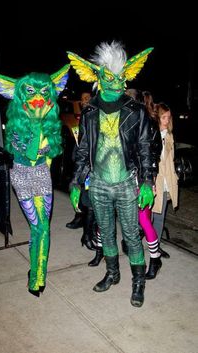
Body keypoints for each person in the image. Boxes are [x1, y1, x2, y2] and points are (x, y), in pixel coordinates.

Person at [67, 41, 155, 307]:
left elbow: (145, 149)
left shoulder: (136, 111)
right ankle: (112, 274)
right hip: (100, 183)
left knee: (131, 234)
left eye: (121, 77)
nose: (117, 83)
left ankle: (138, 284)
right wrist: (75, 182)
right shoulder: (90, 111)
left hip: (127, 182)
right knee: (105, 233)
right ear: (99, 77)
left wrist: (148, 182)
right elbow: (83, 150)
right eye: (111, 77)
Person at [0, 65, 69, 297]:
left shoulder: (51, 124)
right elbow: (29, 153)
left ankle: (37, 276)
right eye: (32, 92)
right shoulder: (16, 125)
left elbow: (51, 154)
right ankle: (36, 268)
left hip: (41, 175)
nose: (39, 98)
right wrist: (36, 123)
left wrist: (47, 145)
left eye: (44, 93)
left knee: (42, 227)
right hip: (22, 177)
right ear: (22, 95)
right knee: (37, 228)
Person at [122, 89, 163, 279]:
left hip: (143, 179)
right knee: (134, 218)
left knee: (144, 219)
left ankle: (155, 258)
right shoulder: (126, 121)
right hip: (127, 178)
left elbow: (152, 154)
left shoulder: (146, 123)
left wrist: (150, 180)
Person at [152, 103, 178, 257]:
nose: (167, 120)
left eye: (168, 117)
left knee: (159, 217)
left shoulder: (169, 135)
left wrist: (173, 180)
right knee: (147, 216)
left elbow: (170, 161)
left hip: (165, 181)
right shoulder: (151, 134)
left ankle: (156, 246)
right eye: (163, 117)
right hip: (154, 180)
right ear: (157, 117)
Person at [66, 91, 92, 230]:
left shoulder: (94, 115)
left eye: (87, 98)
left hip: (90, 164)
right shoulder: (81, 116)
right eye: (82, 99)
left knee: (87, 194)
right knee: (78, 190)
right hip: (80, 159)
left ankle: (85, 220)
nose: (84, 101)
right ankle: (79, 217)